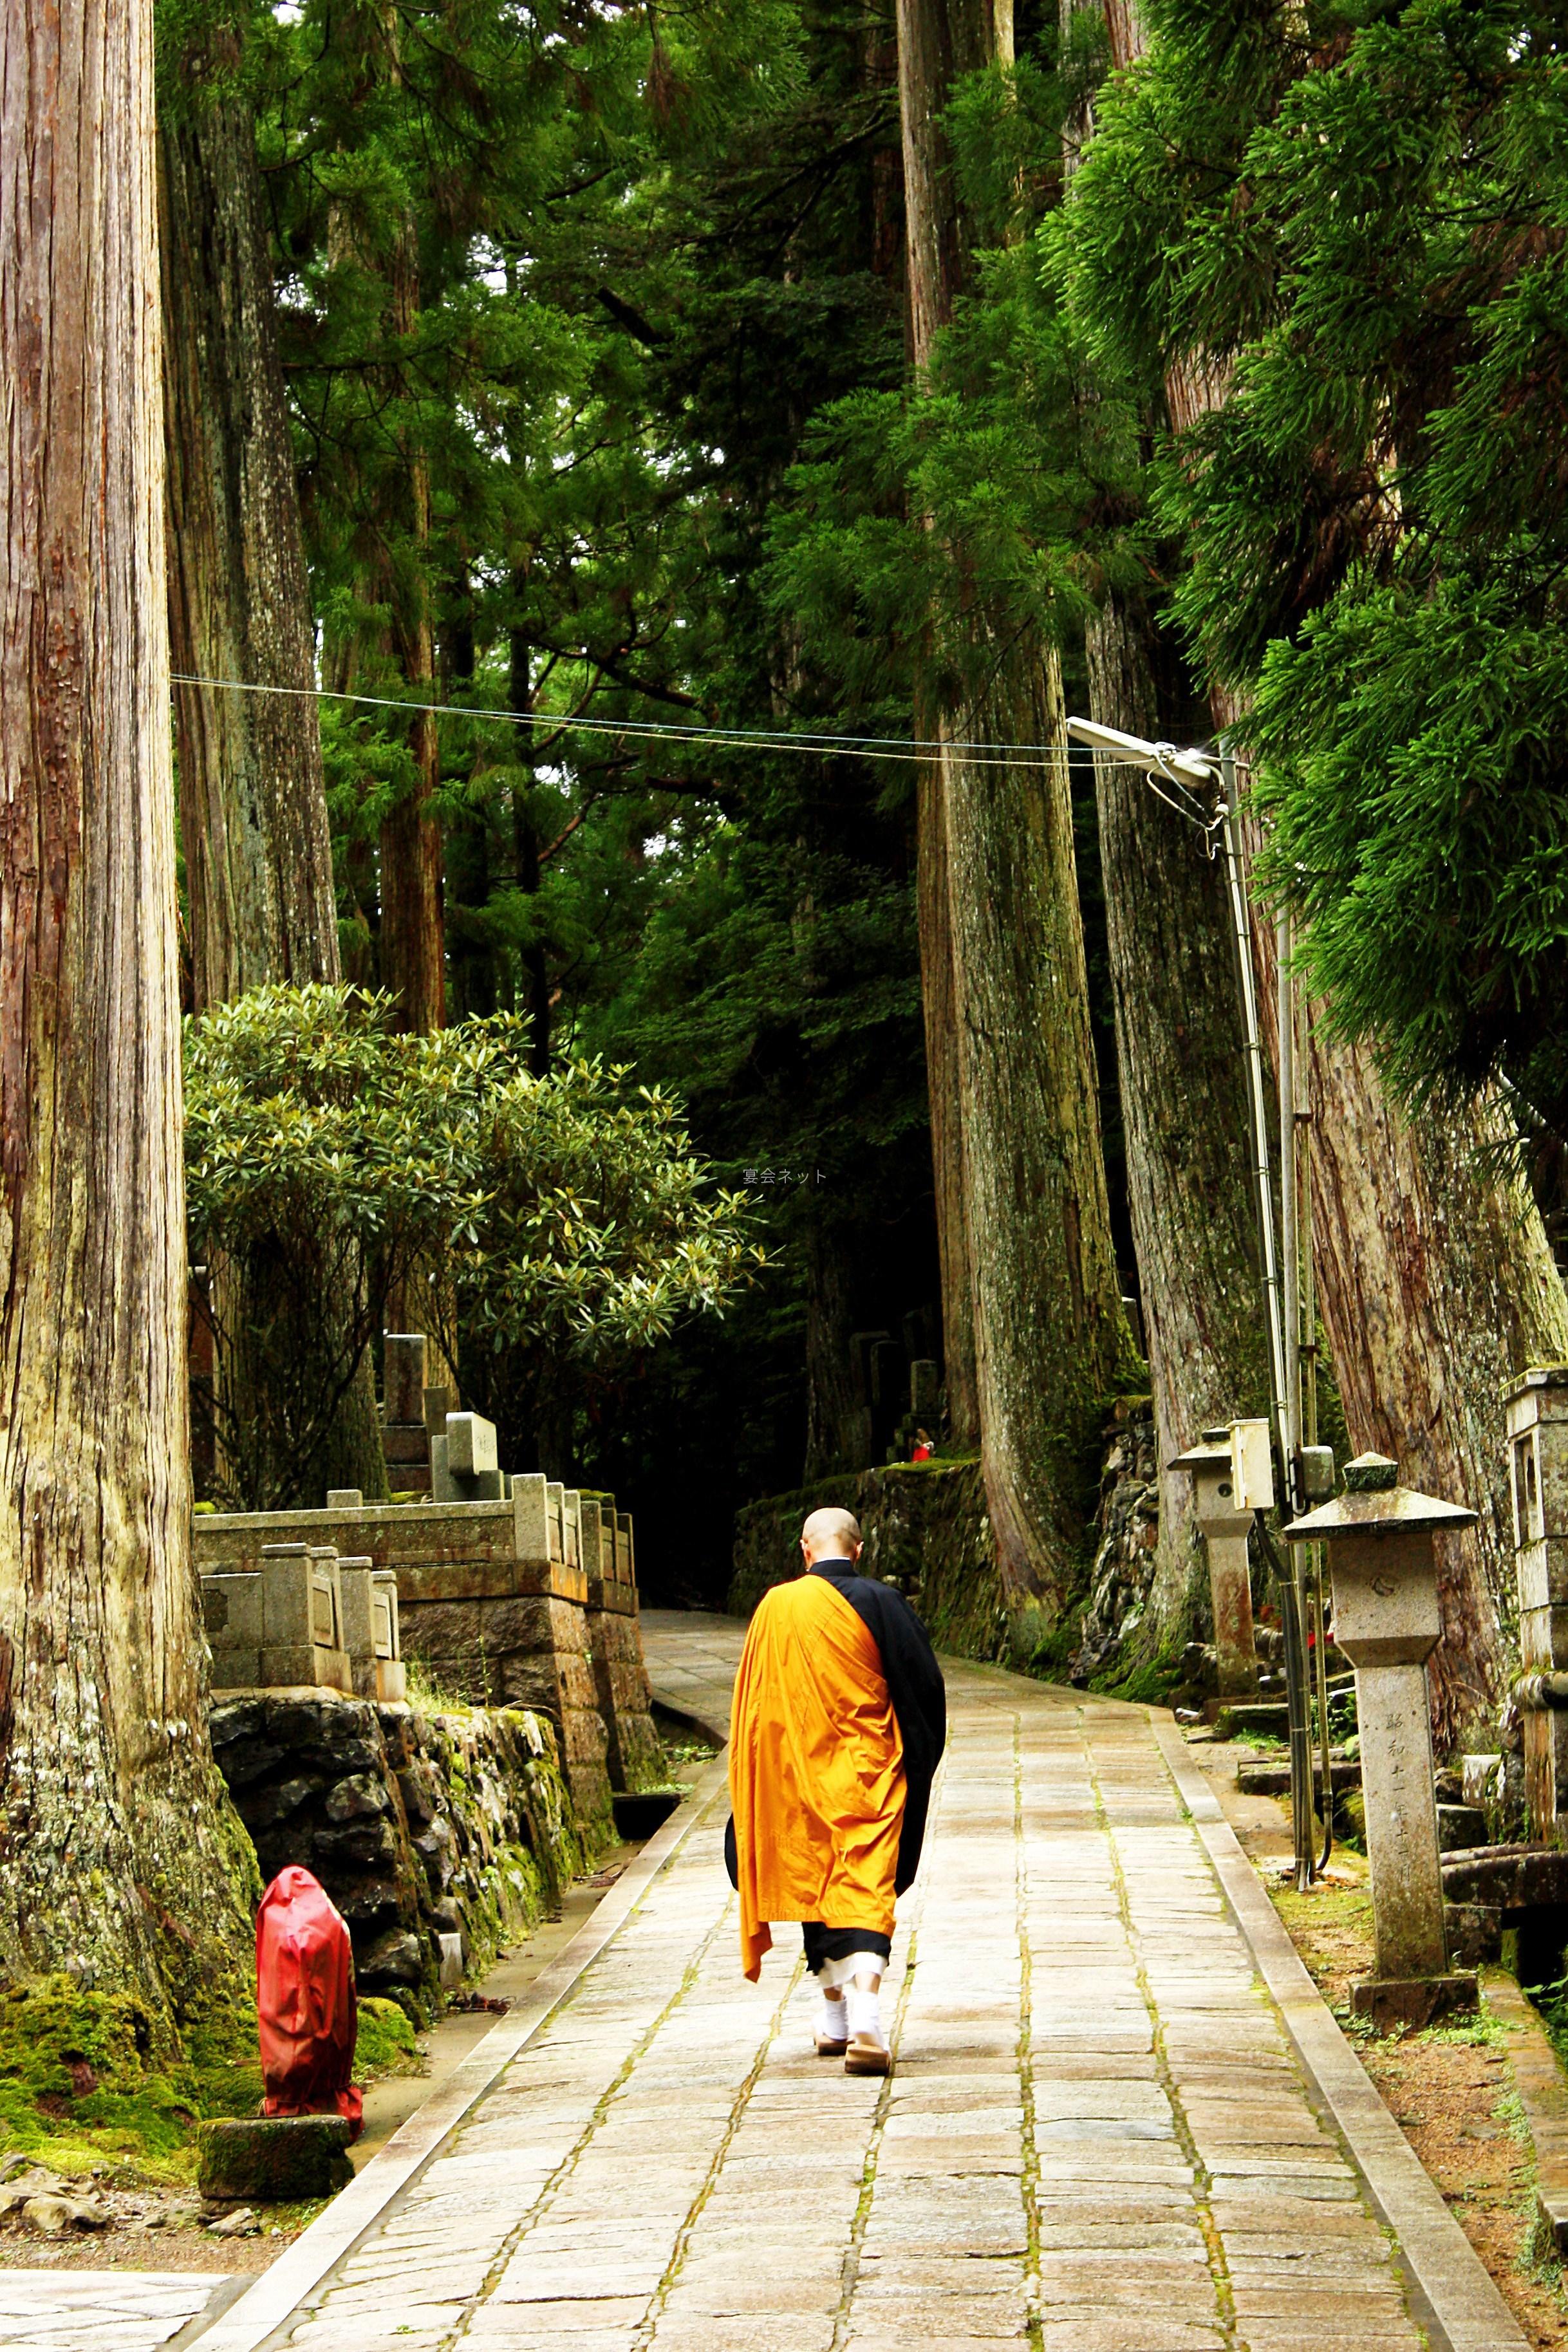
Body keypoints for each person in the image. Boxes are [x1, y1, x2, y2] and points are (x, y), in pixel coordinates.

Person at [725, 1505, 946, 2076]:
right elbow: (923, 1691)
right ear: (859, 1550)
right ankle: (859, 2016)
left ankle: (838, 2015)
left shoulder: (775, 1607)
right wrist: (915, 1766)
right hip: (867, 1775)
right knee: (864, 1888)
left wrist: (758, 1780)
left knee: (811, 1884)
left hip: (794, 1775)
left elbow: (754, 1707)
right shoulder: (884, 1603)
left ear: (804, 1550)